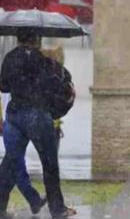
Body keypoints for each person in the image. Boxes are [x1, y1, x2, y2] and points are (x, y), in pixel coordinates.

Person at [0, 29, 76, 218]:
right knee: (49, 163)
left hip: (14, 114)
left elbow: (3, 86)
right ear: (36, 39)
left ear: (18, 39)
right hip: (36, 115)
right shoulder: (42, 61)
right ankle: (57, 209)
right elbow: (54, 86)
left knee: (10, 162)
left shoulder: (9, 58)